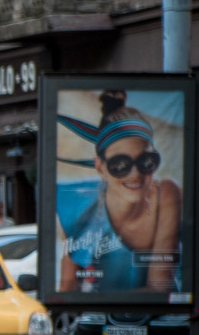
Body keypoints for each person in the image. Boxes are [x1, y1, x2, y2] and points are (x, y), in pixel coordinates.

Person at [56, 90, 183, 293]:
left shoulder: (165, 193)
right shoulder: (76, 204)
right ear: (100, 168)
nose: (135, 174)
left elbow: (159, 287)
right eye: (120, 165)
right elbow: (67, 286)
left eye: (145, 162)